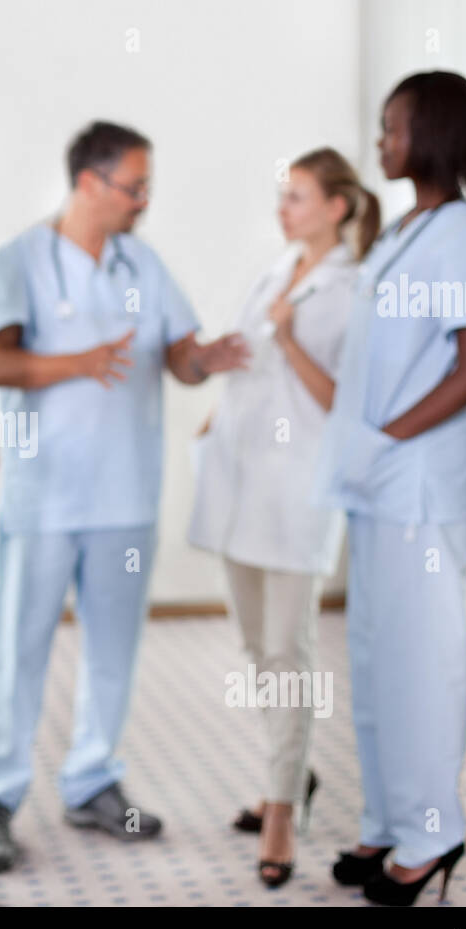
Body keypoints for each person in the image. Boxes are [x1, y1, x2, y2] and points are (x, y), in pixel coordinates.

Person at [0, 121, 249, 871]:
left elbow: (179, 356)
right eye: (134, 186)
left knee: (114, 651)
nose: (144, 200)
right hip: (44, 497)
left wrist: (205, 358)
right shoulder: (20, 260)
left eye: (147, 186)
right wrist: (79, 362)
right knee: (18, 649)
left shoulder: (140, 263)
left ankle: (93, 781)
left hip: (126, 497)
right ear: (89, 182)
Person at [317, 70, 466, 906]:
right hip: (375, 480)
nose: (381, 140)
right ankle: (386, 818)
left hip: (418, 482)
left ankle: (432, 833)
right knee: (375, 656)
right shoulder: (399, 232)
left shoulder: (460, 231)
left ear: (432, 133)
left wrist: (387, 438)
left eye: (392, 126)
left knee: (424, 661)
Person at [188, 148, 379, 887]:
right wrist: (217, 407)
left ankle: (281, 810)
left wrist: (290, 337)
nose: (283, 208)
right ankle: (290, 774)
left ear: (337, 206)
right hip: (241, 478)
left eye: (297, 196)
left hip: (298, 491)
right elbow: (253, 365)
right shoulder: (276, 273)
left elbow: (342, 400)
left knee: (287, 653)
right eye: (282, 195)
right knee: (256, 648)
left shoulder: (353, 288)